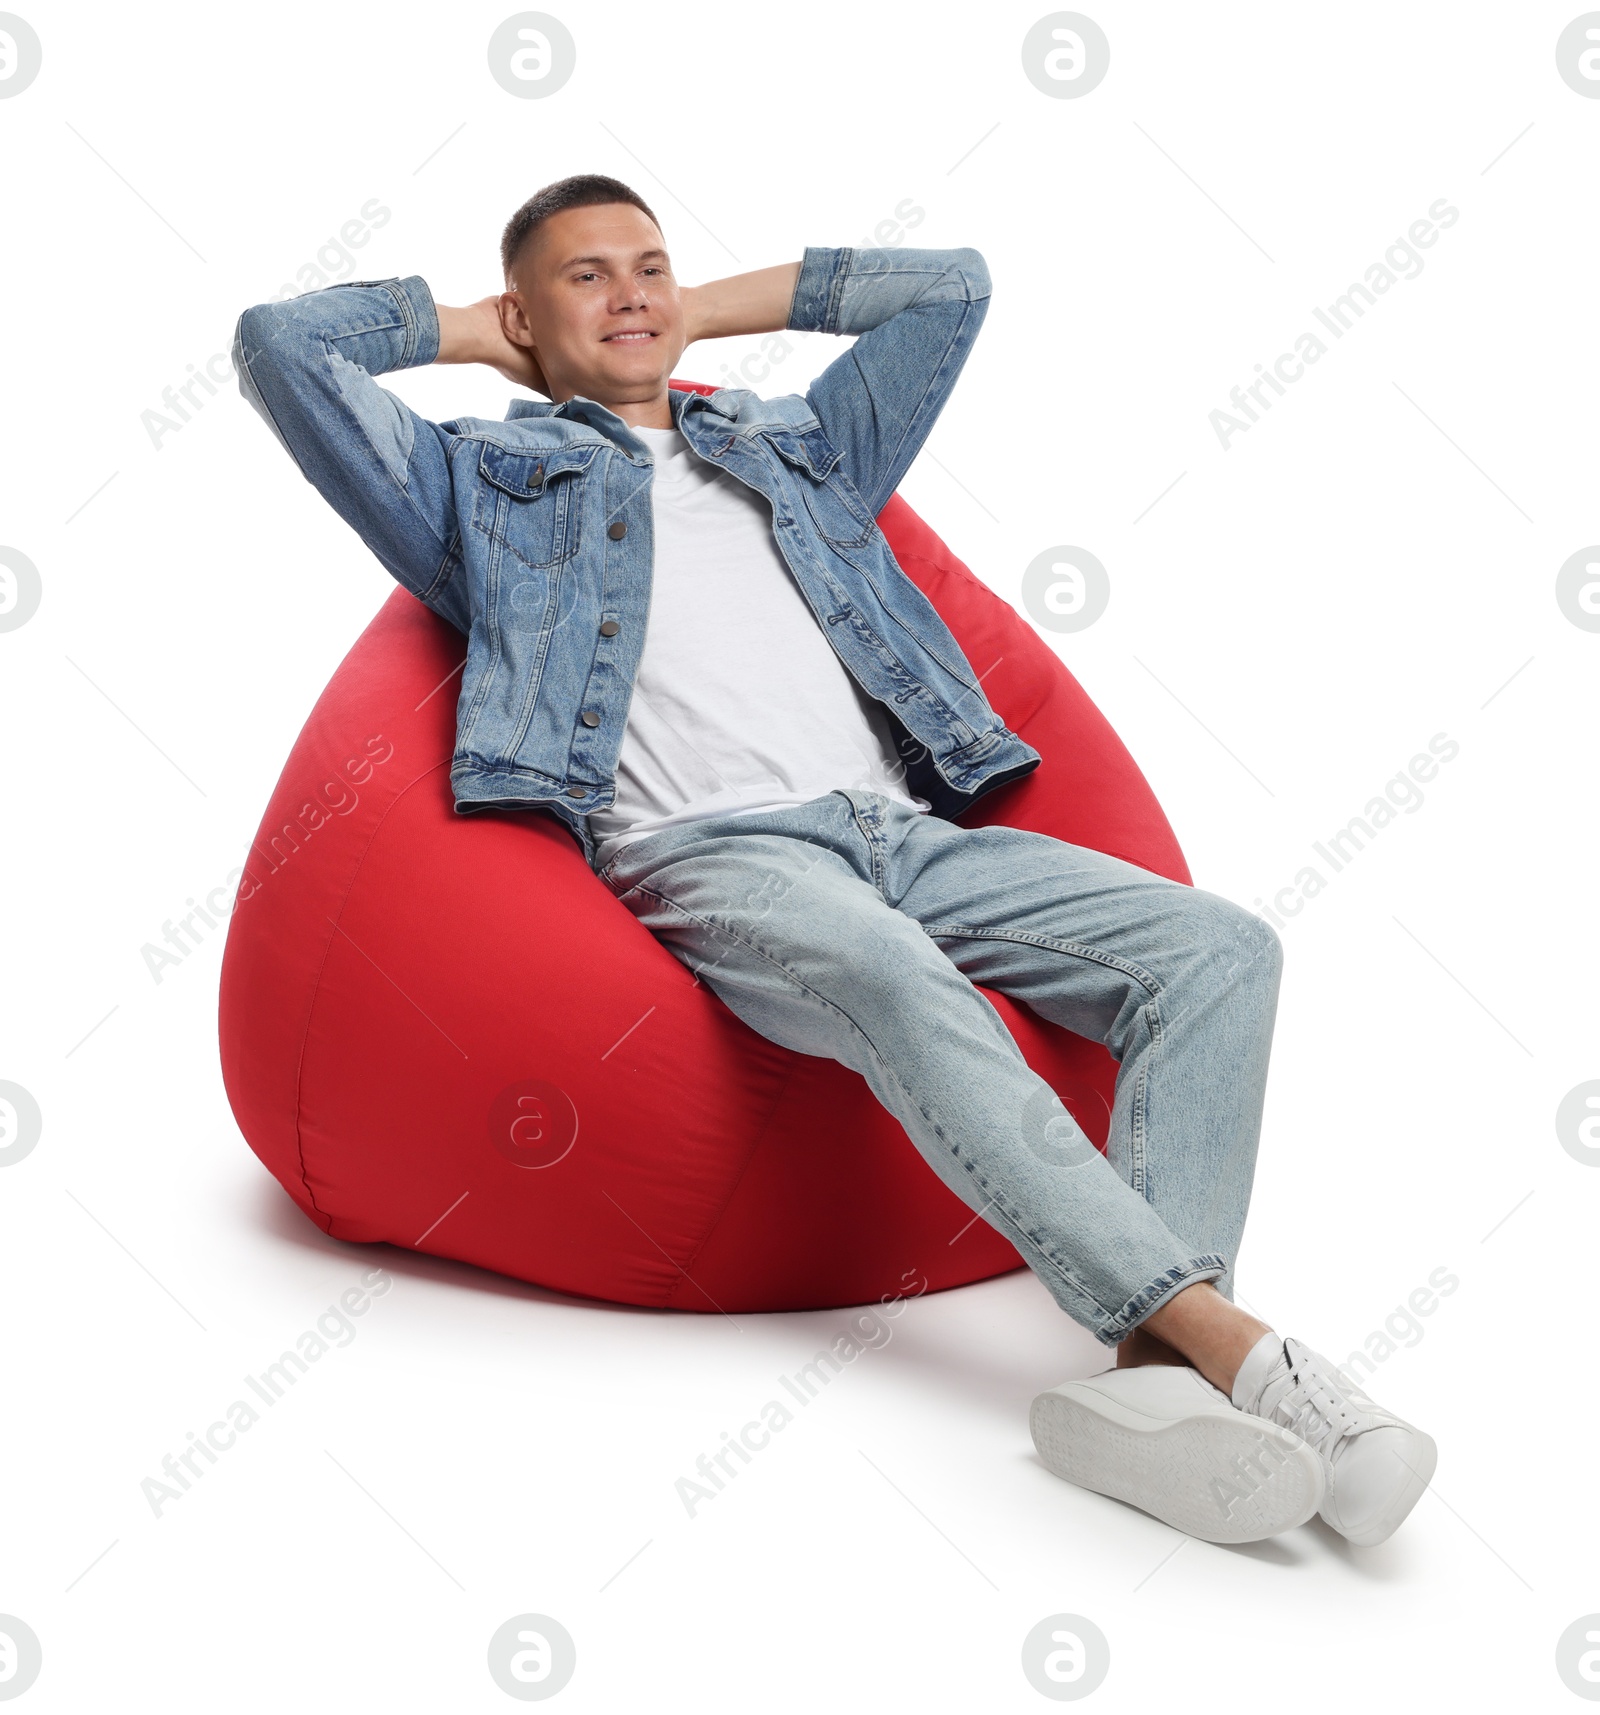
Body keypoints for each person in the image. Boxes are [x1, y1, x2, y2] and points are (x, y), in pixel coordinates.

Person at [231, 172, 1436, 1548]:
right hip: (711, 855)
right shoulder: (480, 487)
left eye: (651, 265)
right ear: (522, 310)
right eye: (587, 276)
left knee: (1223, 950)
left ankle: (1151, 1387)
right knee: (892, 975)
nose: (629, 290)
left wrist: (679, 321)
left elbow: (953, 289)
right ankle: (1239, 1350)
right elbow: (281, 344)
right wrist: (481, 333)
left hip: (897, 831)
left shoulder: (798, 447)